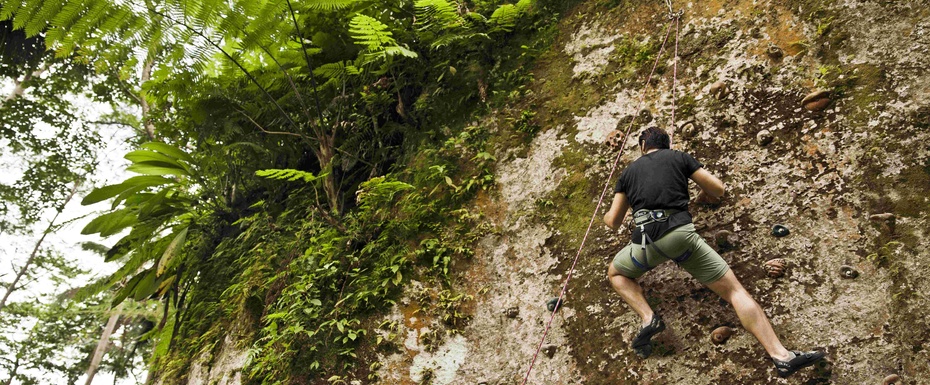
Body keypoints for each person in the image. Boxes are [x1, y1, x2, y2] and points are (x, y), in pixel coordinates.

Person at [602, 126, 825, 378]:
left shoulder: (628, 172)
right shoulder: (679, 157)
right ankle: (781, 356)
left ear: (643, 147)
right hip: (681, 237)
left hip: (645, 244)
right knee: (734, 291)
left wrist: (606, 214)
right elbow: (718, 189)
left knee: (616, 274)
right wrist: (702, 195)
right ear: (666, 144)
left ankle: (647, 317)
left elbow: (613, 221)